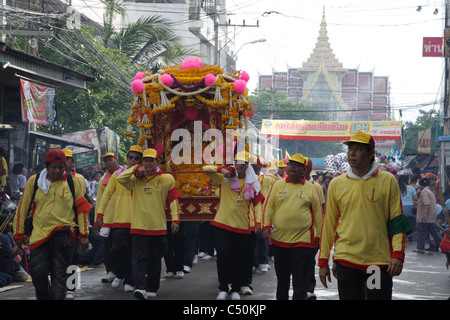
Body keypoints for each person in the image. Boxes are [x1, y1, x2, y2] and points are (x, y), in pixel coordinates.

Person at [319, 131, 410, 300]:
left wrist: (398, 254)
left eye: (358, 149)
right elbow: (328, 225)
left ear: (371, 154)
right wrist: (323, 261)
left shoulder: (388, 180)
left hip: (377, 263)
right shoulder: (336, 184)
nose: (352, 153)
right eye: (350, 149)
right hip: (346, 260)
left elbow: (397, 220)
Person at [13, 149, 90, 300]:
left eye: (61, 167)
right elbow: (22, 208)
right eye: (54, 167)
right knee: (38, 275)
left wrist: (84, 234)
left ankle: (72, 289)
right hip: (39, 237)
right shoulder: (34, 182)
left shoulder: (74, 181)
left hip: (65, 236)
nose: (57, 171)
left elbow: (82, 209)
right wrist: (18, 233)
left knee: (61, 275)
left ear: (67, 165)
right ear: (46, 166)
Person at [117, 148, 180, 300]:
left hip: (158, 226)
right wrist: (136, 169)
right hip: (138, 226)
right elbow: (121, 178)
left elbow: (173, 201)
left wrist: (175, 220)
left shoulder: (167, 179)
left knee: (154, 259)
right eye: (145, 160)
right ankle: (140, 287)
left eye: (152, 160)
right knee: (138, 258)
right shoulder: (135, 179)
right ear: (142, 162)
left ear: (157, 161)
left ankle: (152, 287)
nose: (148, 163)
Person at [203, 151, 264, 300]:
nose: (240, 165)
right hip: (222, 224)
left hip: (242, 226)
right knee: (223, 256)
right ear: (234, 164)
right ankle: (223, 288)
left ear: (248, 165)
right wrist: (221, 169)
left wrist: (258, 223)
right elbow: (205, 169)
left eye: (243, 163)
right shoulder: (225, 179)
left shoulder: (251, 182)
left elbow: (257, 205)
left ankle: (236, 289)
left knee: (239, 258)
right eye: (237, 162)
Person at [261, 153, 322, 300]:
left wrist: (319, 236)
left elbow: (319, 214)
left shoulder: (311, 188)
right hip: (279, 239)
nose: (292, 167)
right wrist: (265, 226)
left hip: (303, 241)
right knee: (282, 279)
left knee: (299, 279)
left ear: (304, 170)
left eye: (297, 165)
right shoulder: (278, 185)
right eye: (290, 164)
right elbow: (268, 206)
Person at [96, 145, 143, 292]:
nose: (133, 160)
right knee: (117, 249)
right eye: (131, 157)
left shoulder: (144, 175)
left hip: (139, 220)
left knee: (135, 252)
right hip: (120, 219)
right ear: (126, 158)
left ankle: (130, 279)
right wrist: (100, 213)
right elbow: (107, 194)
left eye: (137, 158)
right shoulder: (118, 174)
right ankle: (121, 273)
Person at [95, 152, 121, 284]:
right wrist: (97, 220)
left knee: (121, 247)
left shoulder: (124, 175)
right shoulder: (102, 181)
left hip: (122, 217)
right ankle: (110, 271)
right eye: (106, 161)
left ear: (117, 161)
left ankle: (123, 272)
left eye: (110, 160)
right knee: (108, 246)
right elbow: (99, 200)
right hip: (107, 220)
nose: (108, 163)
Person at [304, 157, 325, 300]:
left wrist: (319, 233)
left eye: (304, 167)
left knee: (309, 262)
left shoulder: (317, 187)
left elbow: (320, 211)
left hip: (312, 233)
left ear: (309, 170)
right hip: (295, 233)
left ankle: (309, 289)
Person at [414, 177, 443, 253]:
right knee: (433, 232)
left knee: (422, 231)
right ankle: (444, 245)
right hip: (431, 216)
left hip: (425, 217)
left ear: (420, 185)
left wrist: (424, 214)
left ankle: (420, 248)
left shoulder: (424, 192)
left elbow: (426, 203)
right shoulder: (429, 191)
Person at [398, 174, 416, 242]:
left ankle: (402, 237)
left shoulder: (397, 187)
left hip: (401, 207)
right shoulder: (411, 188)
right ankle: (410, 238)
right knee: (410, 223)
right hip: (410, 207)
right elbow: (415, 198)